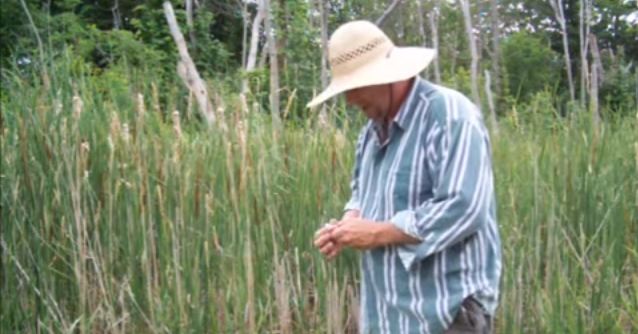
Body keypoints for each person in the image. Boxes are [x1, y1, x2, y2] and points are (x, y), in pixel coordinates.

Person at [310, 21, 502, 334]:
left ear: (385, 76)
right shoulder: (370, 135)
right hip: (388, 315)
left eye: (354, 87)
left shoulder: (450, 116)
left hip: (446, 313)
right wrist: (345, 226)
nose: (350, 101)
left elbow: (465, 207)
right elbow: (361, 192)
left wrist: (376, 233)